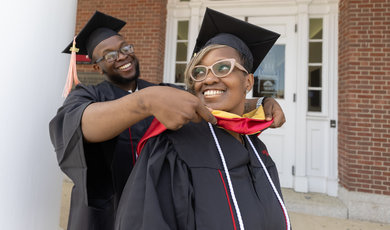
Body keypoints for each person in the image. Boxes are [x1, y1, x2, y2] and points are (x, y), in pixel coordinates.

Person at [49, 11, 286, 230]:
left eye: (125, 47)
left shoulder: (163, 91)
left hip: (165, 198)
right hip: (107, 207)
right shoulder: (89, 96)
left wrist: (259, 103)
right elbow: (75, 124)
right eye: (110, 55)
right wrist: (144, 102)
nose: (122, 56)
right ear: (97, 67)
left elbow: (208, 103)